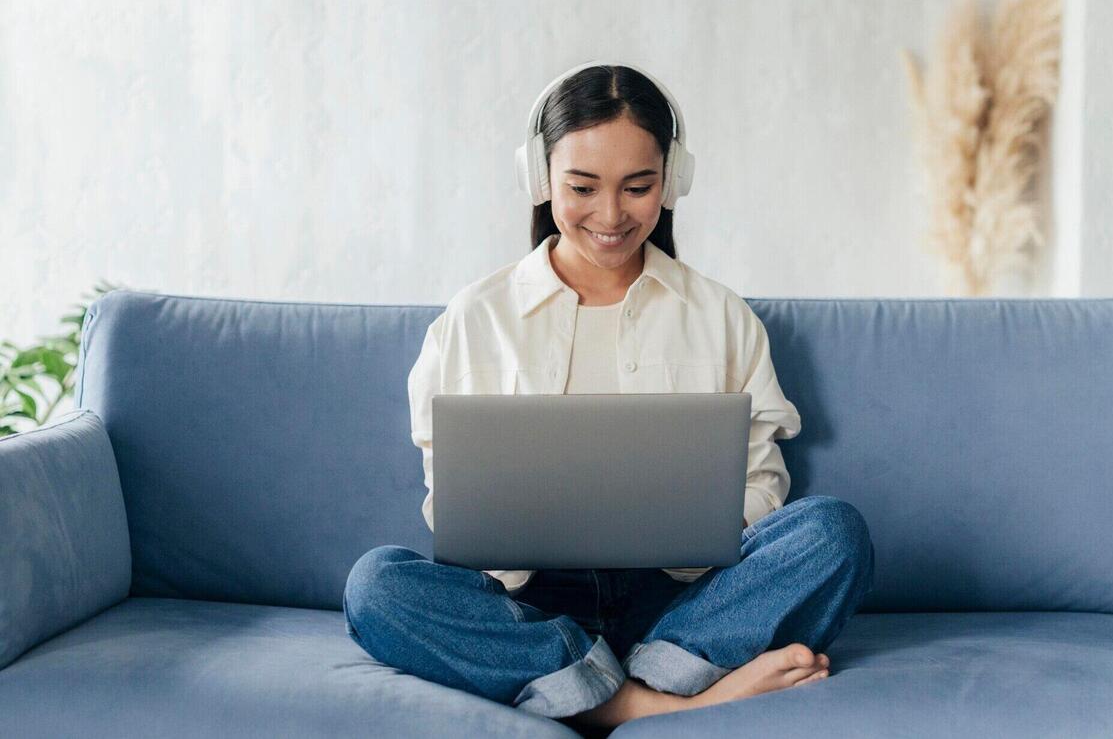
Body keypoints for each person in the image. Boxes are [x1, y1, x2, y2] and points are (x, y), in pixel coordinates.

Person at [342, 63, 875, 731]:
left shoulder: (719, 315)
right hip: (531, 606)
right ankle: (659, 703)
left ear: (672, 181)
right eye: (583, 187)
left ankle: (605, 683)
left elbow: (763, 483)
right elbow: (451, 502)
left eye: (638, 186)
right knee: (375, 585)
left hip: (679, 601)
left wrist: (688, 526)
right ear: (540, 180)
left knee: (833, 532)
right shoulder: (474, 319)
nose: (612, 214)